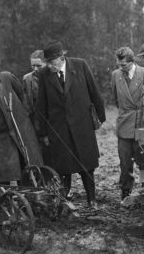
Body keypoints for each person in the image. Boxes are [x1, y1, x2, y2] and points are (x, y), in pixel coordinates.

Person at [37, 40, 106, 207]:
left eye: (52, 62)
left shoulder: (80, 66)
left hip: (82, 126)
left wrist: (100, 117)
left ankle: (91, 199)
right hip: (58, 128)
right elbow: (41, 104)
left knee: (87, 165)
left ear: (61, 58)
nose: (50, 66)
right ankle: (63, 200)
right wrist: (44, 133)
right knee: (63, 167)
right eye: (47, 63)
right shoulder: (44, 74)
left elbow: (94, 92)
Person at [110, 46, 144, 200]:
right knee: (125, 163)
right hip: (124, 124)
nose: (121, 68)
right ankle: (125, 191)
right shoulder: (115, 75)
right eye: (119, 65)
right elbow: (115, 99)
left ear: (132, 62)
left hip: (142, 124)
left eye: (124, 65)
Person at [22, 50, 45, 143]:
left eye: (39, 66)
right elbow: (25, 104)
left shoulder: (53, 77)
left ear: (46, 63)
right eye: (33, 66)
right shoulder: (27, 79)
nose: (35, 69)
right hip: (35, 122)